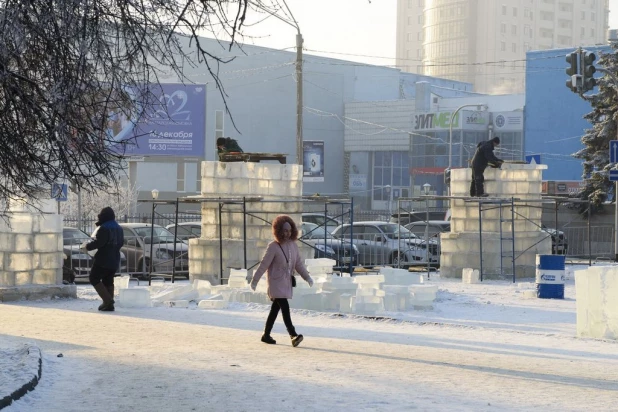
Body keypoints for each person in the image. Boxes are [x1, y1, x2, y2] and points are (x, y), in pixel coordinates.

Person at [250, 215, 313, 347]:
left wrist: (307, 277)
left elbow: (298, 265)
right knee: (285, 307)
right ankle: (293, 335)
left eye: (289, 230)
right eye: (284, 230)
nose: (287, 233)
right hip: (275, 282)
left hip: (286, 283)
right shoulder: (273, 246)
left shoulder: (293, 246)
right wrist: (255, 280)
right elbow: (264, 264)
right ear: (278, 230)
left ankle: (266, 335)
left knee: (275, 310)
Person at [81, 207, 124, 312]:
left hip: (103, 259)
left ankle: (108, 300)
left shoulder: (104, 228)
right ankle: (109, 304)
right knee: (108, 280)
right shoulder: (119, 228)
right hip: (115, 259)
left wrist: (87, 247)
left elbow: (99, 243)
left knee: (93, 278)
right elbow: (121, 243)